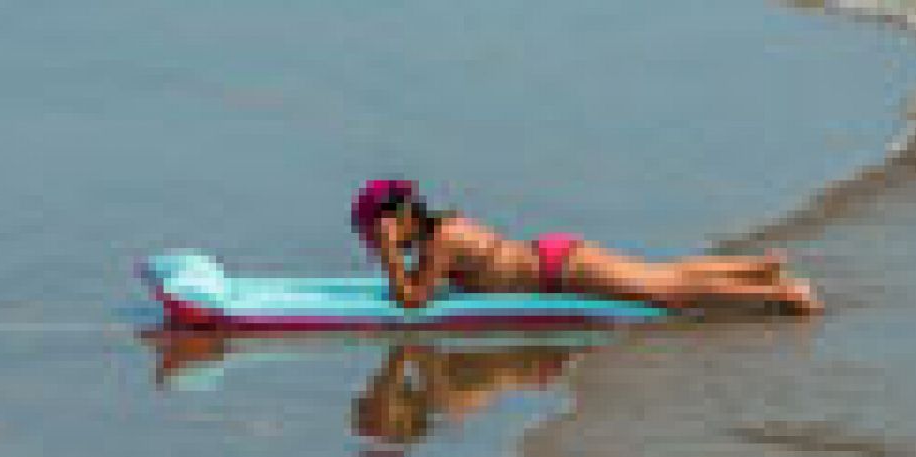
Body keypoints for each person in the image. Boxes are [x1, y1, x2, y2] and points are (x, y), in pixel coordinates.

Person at [350, 179, 820, 314]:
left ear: (400, 220)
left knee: (667, 293)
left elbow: (414, 302)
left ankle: (781, 293)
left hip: (560, 268)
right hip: (557, 257)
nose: (378, 241)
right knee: (663, 274)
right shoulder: (441, 232)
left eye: (379, 232)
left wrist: (392, 256)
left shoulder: (442, 241)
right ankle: (759, 268)